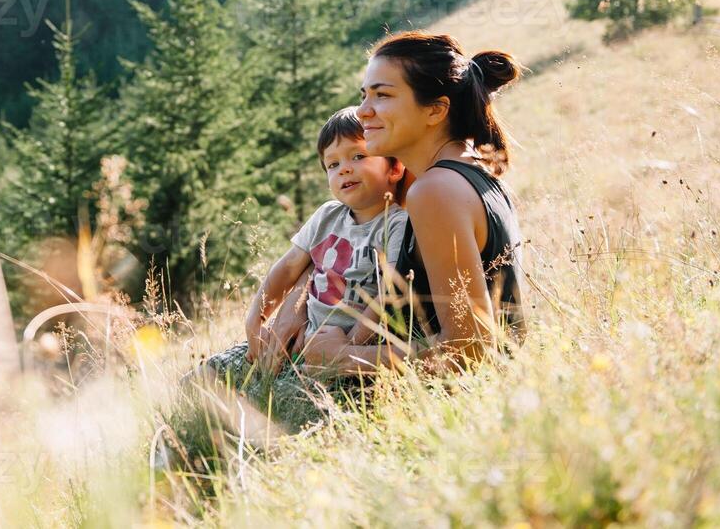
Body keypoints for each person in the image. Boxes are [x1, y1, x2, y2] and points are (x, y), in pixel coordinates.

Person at [316, 30, 526, 375]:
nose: (363, 112)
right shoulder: (465, 171)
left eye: (382, 95)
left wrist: (340, 357)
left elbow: (471, 351)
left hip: (452, 402)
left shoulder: (436, 191)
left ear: (435, 110)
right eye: (364, 96)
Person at [199, 107, 409, 414]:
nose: (344, 169)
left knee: (285, 407)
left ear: (394, 168)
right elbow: (286, 269)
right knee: (204, 377)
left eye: (358, 156)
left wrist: (346, 348)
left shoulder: (396, 223)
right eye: (333, 164)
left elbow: (386, 295)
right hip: (293, 344)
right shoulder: (326, 216)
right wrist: (255, 320)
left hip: (344, 359)